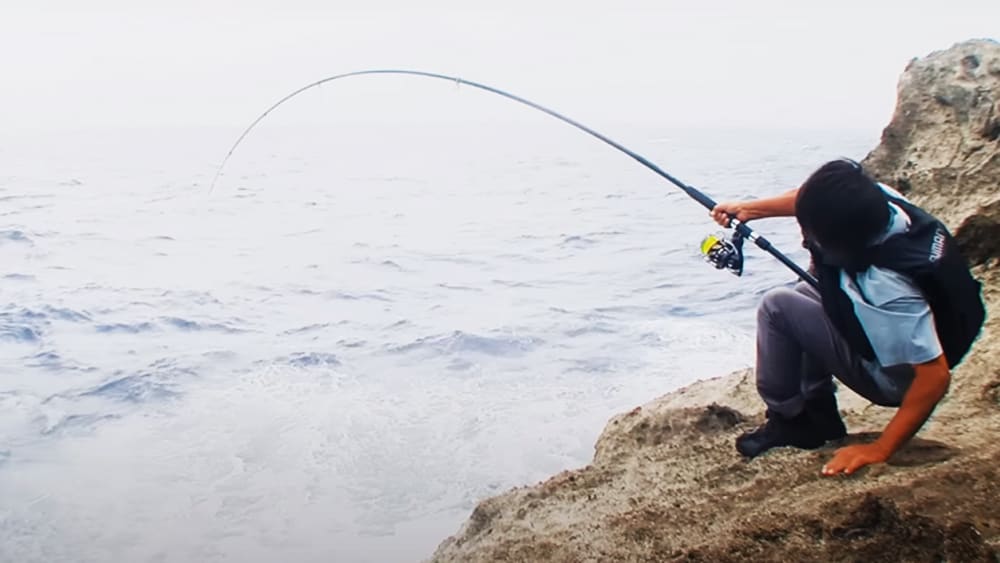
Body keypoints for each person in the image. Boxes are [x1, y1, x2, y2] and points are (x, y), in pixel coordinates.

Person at [710, 159, 985, 476]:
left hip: (894, 380)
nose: (805, 235)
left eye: (810, 231)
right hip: (939, 332)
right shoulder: (880, 201)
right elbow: (812, 200)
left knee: (778, 306)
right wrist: (750, 210)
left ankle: (792, 421)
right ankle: (820, 412)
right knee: (804, 292)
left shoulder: (886, 285)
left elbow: (934, 378)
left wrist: (880, 449)